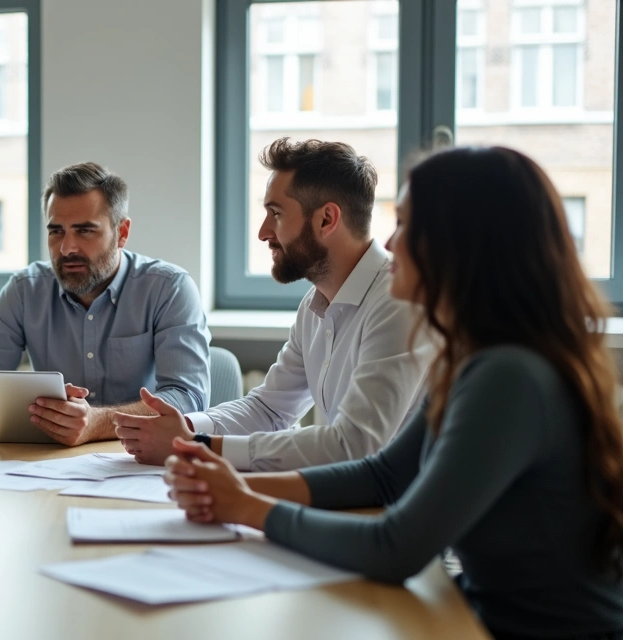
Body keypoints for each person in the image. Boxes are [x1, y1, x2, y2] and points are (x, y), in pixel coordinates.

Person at [164, 146, 623, 638]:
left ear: (462, 244)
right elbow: (382, 477)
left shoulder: (509, 376)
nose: (388, 241)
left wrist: (246, 506)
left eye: (405, 225)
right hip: (479, 615)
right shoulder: (474, 356)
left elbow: (397, 547)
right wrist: (226, 487)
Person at [115, 138, 429, 468]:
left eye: (276, 213)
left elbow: (355, 444)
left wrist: (200, 446)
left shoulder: (399, 302)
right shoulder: (315, 304)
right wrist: (186, 428)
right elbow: (269, 409)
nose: (263, 233)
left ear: (326, 220)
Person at [0, 162, 211, 446]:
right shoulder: (25, 290)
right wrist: (45, 419)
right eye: (56, 231)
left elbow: (188, 399)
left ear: (122, 233)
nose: (67, 249)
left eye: (84, 231)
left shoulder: (168, 288)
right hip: (49, 466)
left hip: (138, 462)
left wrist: (96, 423)